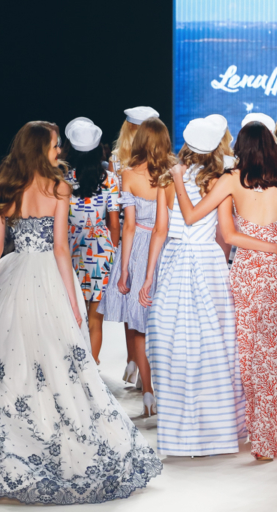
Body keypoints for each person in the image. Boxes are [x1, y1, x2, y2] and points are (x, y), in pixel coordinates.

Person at [0, 121, 161, 504]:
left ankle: (18, 453)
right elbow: (61, 249)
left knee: (14, 371)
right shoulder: (58, 187)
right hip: (46, 279)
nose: (58, 150)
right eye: (53, 145)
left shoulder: (4, 190)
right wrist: (72, 301)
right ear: (38, 149)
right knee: (58, 368)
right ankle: (54, 445)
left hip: (12, 282)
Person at [147, 117, 277, 458]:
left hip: (190, 265)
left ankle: (202, 431)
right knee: (234, 350)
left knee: (184, 348)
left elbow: (173, 229)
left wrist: (149, 275)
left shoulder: (219, 179)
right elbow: (227, 233)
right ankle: (245, 430)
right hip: (225, 266)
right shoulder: (240, 176)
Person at [97, 117, 173, 416]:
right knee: (166, 322)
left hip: (139, 248)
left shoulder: (127, 174)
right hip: (168, 249)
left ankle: (149, 391)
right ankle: (168, 388)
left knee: (137, 324)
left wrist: (125, 267)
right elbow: (167, 223)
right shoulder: (171, 174)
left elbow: (128, 226)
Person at [63, 118, 120, 364]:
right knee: (95, 319)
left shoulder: (63, 181)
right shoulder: (110, 179)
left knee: (74, 316)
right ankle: (92, 371)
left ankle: (77, 371)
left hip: (70, 251)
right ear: (99, 150)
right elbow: (114, 223)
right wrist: (114, 254)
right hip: (101, 251)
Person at [108, 106, 158, 385]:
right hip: (152, 234)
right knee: (148, 303)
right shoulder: (162, 162)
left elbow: (118, 210)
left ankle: (134, 361)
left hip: (132, 233)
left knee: (132, 305)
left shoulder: (119, 162)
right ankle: (141, 368)